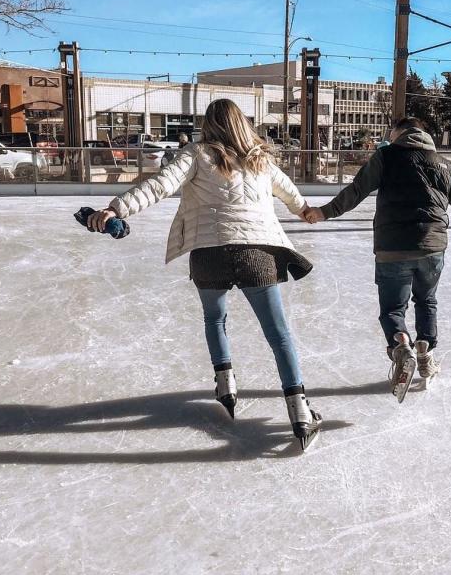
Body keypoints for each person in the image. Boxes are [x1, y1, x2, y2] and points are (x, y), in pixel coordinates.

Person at [87, 99, 322, 450]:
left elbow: (160, 184)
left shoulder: (196, 154)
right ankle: (300, 412)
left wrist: (115, 208)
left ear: (208, 125)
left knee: (215, 318)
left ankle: (225, 383)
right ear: (242, 123)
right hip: (256, 253)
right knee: (279, 334)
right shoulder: (260, 158)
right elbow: (290, 193)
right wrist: (305, 211)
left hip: (209, 254)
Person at [304, 116, 451, 402]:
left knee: (392, 309)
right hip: (432, 247)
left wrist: (323, 212)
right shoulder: (443, 164)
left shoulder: (386, 157)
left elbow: (356, 191)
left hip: (392, 247)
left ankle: (401, 345)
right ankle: (424, 350)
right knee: (426, 301)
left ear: (400, 133)